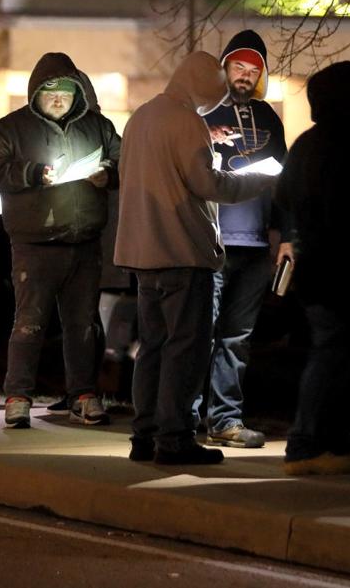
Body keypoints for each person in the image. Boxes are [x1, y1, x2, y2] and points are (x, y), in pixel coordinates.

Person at [115, 51, 278, 464]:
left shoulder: (142, 116)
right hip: (182, 251)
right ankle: (174, 439)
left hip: (143, 252)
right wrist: (259, 180)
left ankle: (144, 435)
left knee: (151, 348)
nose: (215, 101)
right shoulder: (186, 121)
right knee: (184, 350)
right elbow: (208, 185)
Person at [0, 53, 121, 429]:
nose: (58, 99)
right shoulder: (11, 128)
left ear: (78, 93)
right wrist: (32, 173)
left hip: (84, 242)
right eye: (50, 92)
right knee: (29, 323)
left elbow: (124, 161)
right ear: (35, 92)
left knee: (82, 325)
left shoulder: (98, 126)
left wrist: (109, 174)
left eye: (66, 92)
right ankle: (18, 396)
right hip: (35, 244)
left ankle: (83, 395)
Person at [275, 61, 350, 476]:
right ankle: (307, 445)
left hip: (320, 270)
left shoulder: (310, 143)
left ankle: (332, 443)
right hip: (334, 271)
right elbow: (343, 217)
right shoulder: (332, 147)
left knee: (339, 356)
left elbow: (284, 196)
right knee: (333, 354)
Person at [197, 30, 287, 448]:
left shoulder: (269, 117)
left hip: (254, 244)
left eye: (254, 69)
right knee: (200, 333)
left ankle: (225, 419)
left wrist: (286, 236)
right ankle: (183, 419)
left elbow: (284, 182)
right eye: (239, 66)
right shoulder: (200, 113)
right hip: (210, 240)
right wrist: (207, 140)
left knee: (237, 338)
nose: (245, 75)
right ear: (225, 67)